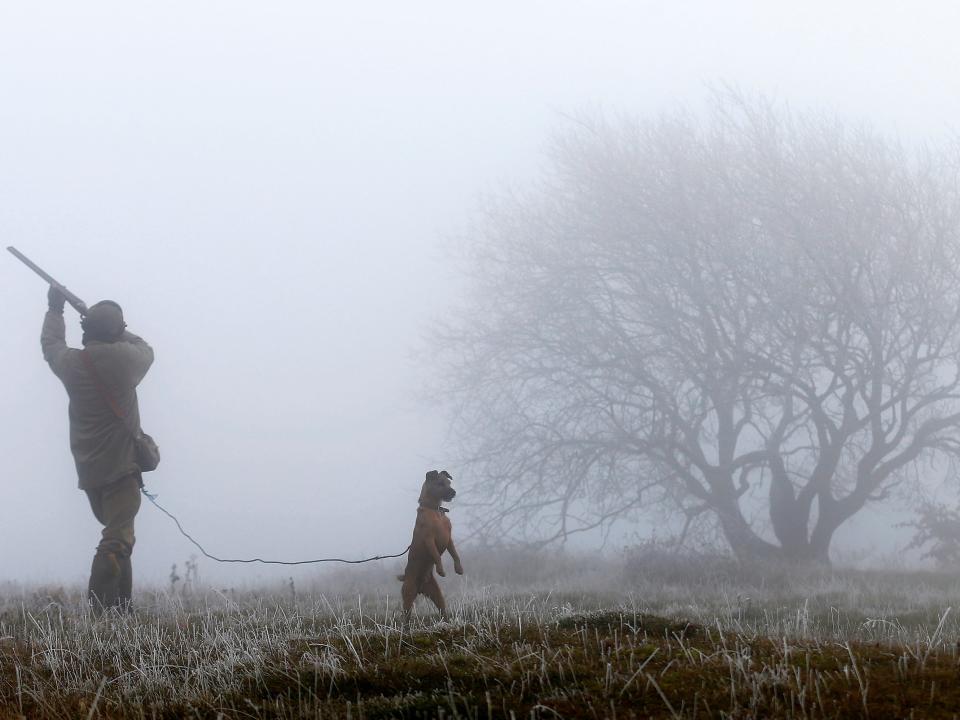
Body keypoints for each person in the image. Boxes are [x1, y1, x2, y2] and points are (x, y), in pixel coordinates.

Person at [41, 286, 154, 611]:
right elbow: (144, 347)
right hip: (122, 468)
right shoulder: (126, 359)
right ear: (116, 330)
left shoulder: (73, 364)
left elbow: (51, 346)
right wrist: (102, 320)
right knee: (116, 540)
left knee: (121, 534)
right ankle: (102, 604)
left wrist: (56, 310)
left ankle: (121, 606)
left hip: (89, 473)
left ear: (86, 330)